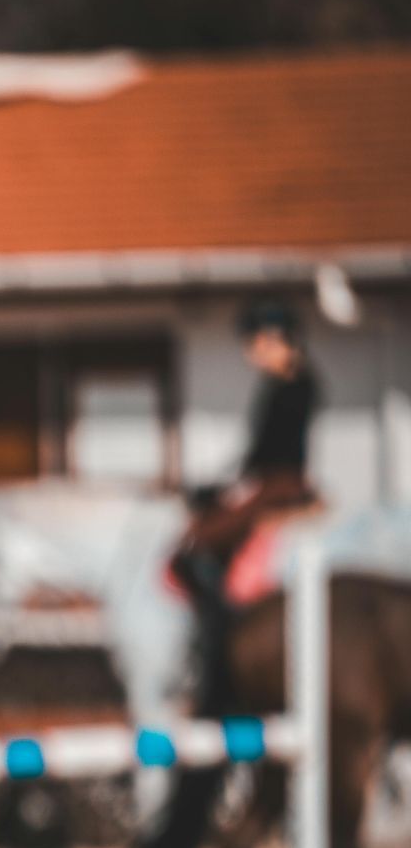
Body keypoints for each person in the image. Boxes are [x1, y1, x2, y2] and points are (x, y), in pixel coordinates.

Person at [171, 299, 321, 710]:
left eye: (256, 342)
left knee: (197, 543)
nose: (251, 352)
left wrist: (227, 489)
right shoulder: (287, 383)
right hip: (272, 483)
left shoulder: (294, 384)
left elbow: (271, 454)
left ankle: (221, 630)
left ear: (277, 340)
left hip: (278, 487)